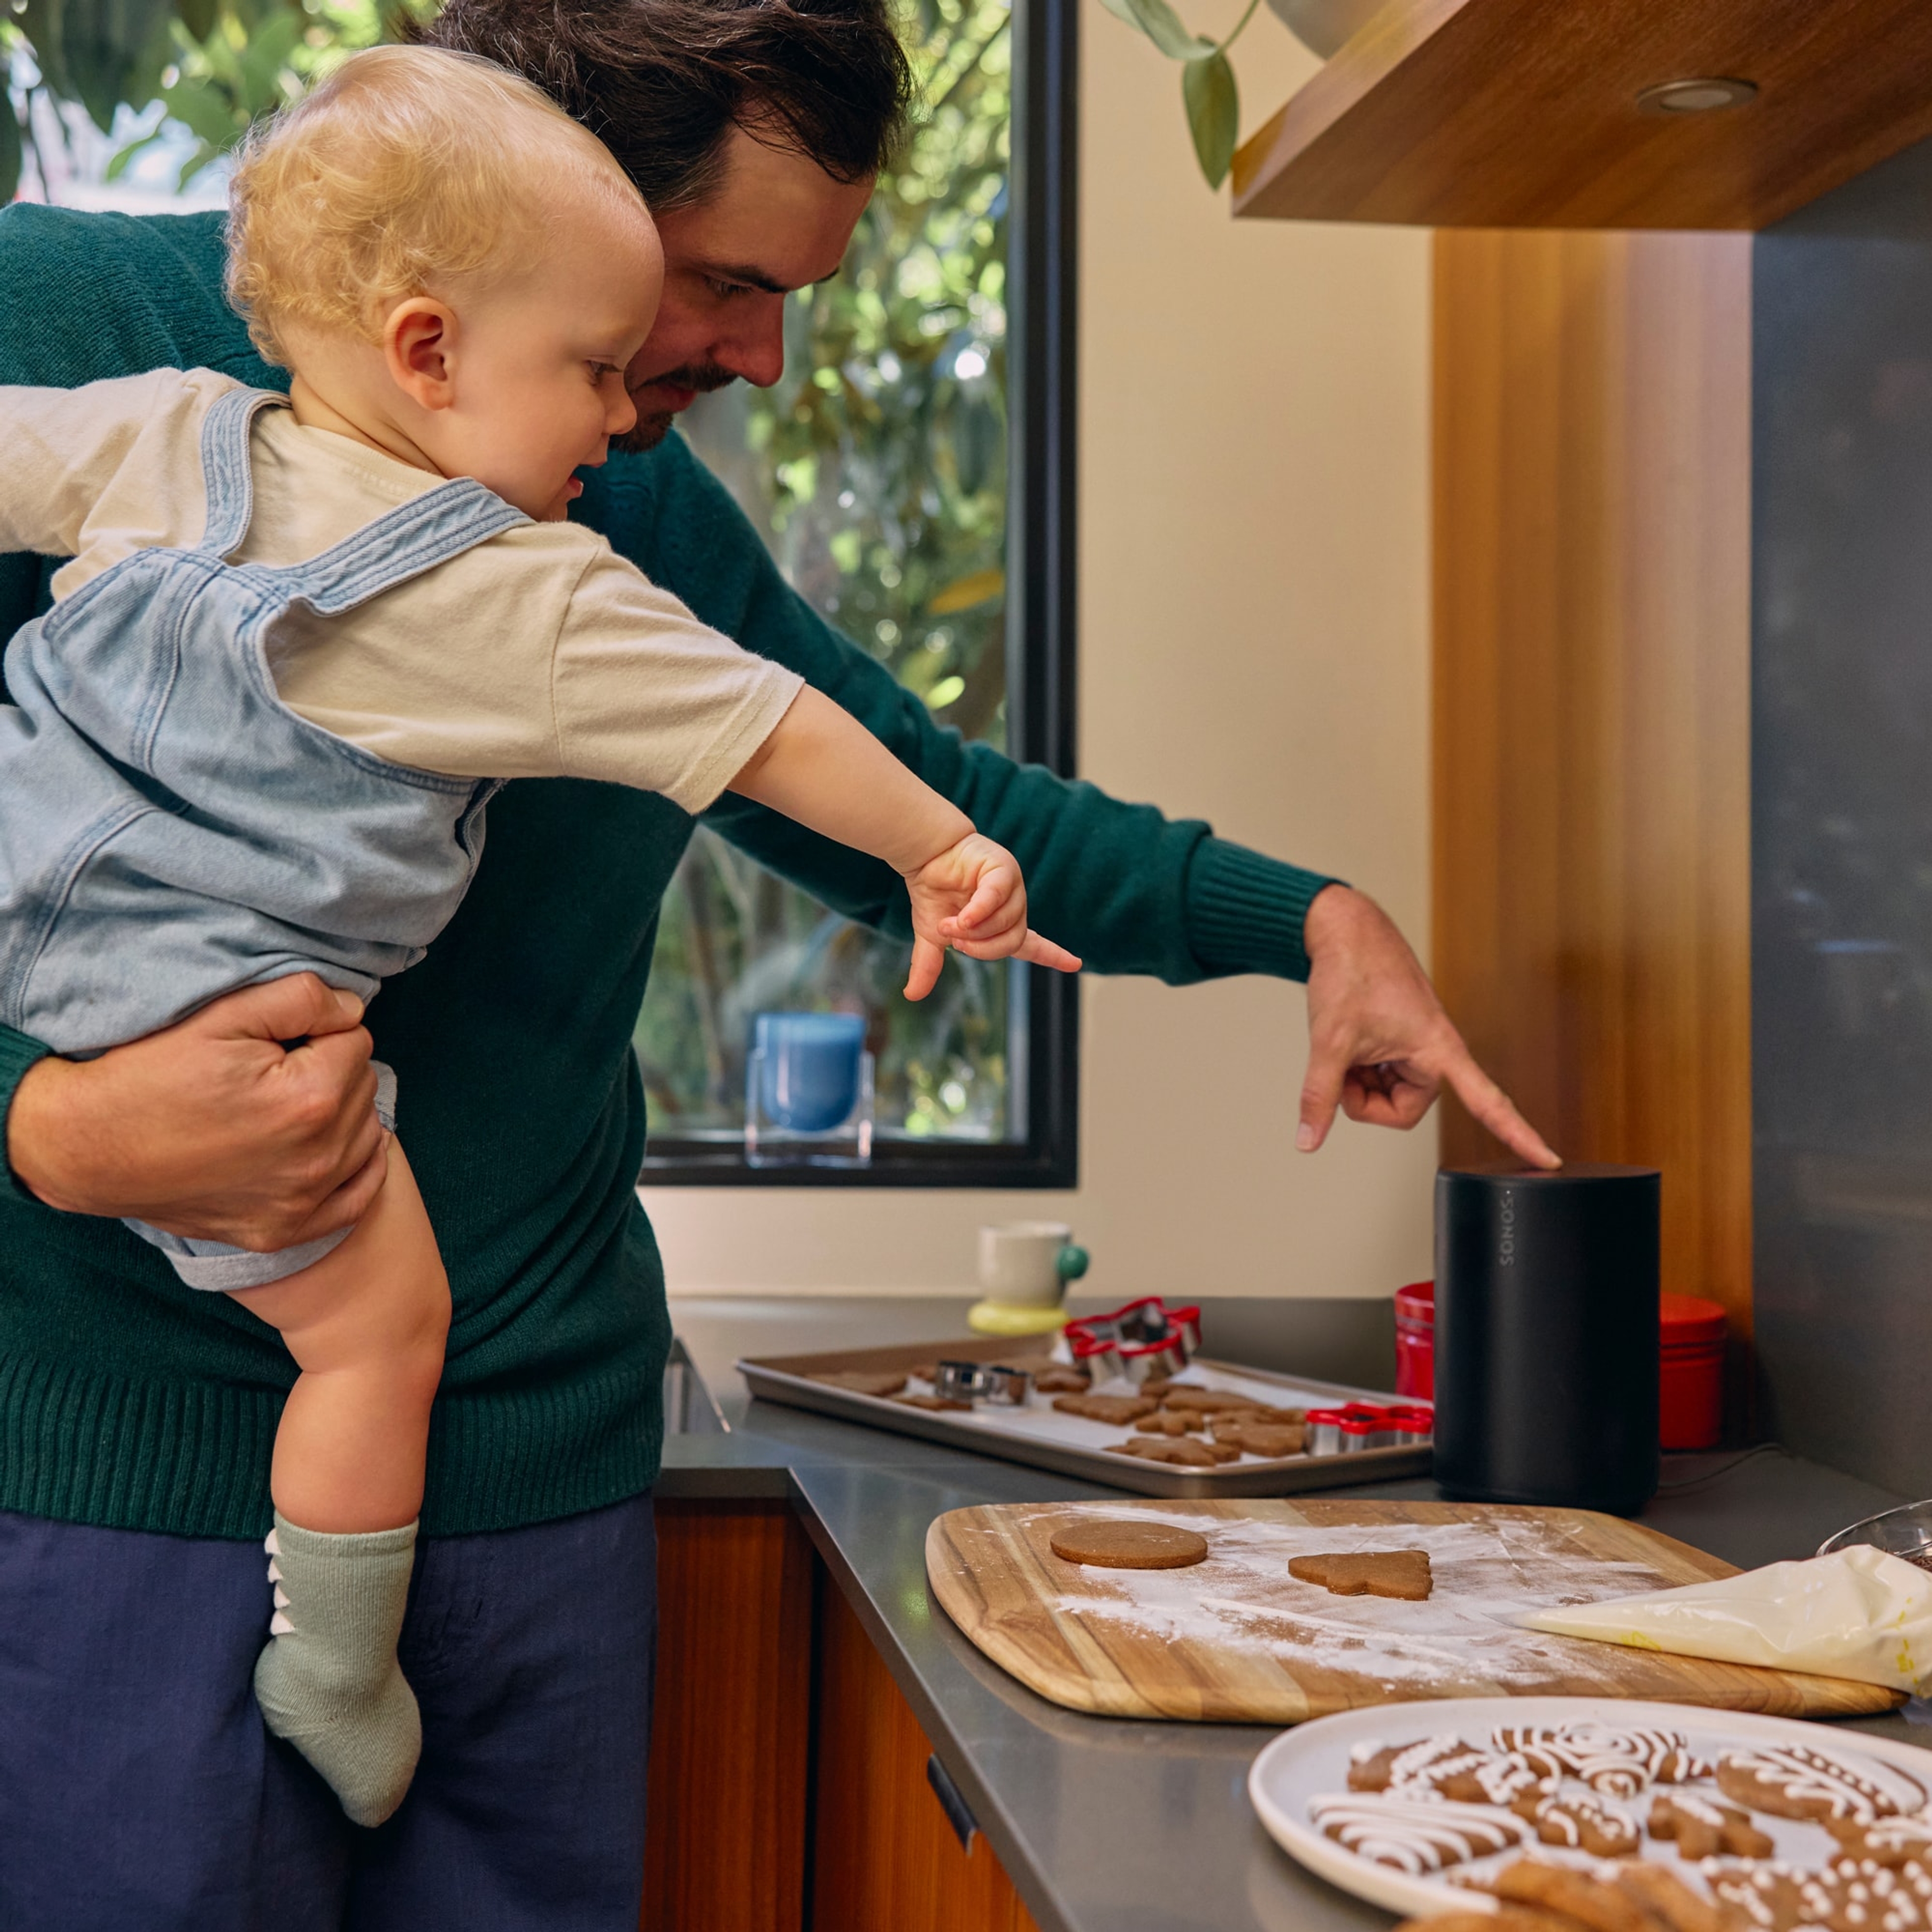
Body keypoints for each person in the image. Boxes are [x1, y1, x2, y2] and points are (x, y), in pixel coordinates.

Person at [0, 0, 1557, 1923]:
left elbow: (905, 798)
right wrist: (41, 1123)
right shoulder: (65, 334)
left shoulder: (605, 506)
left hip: (535, 1510)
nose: (762, 356)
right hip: (106, 1500)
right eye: (728, 283)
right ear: (529, 192)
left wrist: (1305, 919)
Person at [0, 43, 1077, 1833]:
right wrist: (941, 851)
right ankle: (335, 1658)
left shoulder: (164, 430)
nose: (622, 413)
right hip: (200, 1019)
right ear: (431, 347)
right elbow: (779, 734)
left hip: (33, 911)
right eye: (599, 363)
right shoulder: (518, 587)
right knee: (376, 1335)